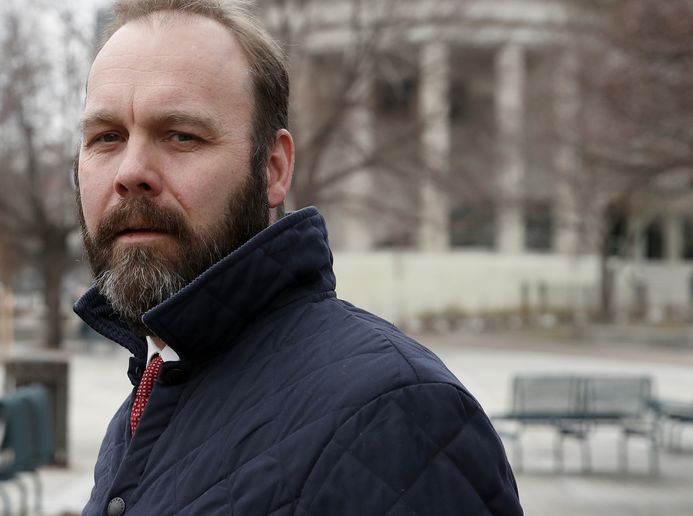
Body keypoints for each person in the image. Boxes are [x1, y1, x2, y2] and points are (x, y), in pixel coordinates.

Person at [73, 1, 523, 514]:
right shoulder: (152, 395)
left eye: (182, 136)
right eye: (106, 137)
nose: (132, 171)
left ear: (273, 169)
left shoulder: (396, 413)